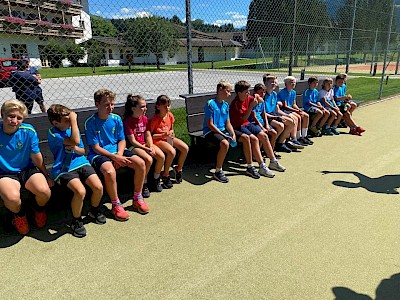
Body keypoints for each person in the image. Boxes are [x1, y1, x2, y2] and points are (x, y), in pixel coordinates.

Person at [84, 89, 149, 218]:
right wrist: (115, 157)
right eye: (106, 105)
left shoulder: (116, 119)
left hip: (117, 151)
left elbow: (122, 140)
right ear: (97, 104)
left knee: (141, 163)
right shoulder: (90, 122)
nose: (110, 107)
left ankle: (137, 198)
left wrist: (119, 155)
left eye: (112, 104)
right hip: (99, 154)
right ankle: (116, 204)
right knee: (109, 171)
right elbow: (95, 147)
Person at [47, 104, 105, 238]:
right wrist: (74, 121)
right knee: (80, 191)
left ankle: (94, 210)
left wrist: (73, 147)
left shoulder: (71, 128)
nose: (69, 122)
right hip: (63, 168)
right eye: (66, 120)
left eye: (70, 119)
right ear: (56, 123)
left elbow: (82, 150)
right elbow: (75, 140)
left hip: (80, 162)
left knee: (98, 187)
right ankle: (76, 220)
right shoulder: (54, 133)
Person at [0, 99, 52, 235]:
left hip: (27, 169)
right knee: (12, 198)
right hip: (5, 173)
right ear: (2, 114)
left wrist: (46, 175)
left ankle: (38, 210)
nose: (14, 121)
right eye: (11, 116)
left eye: (19, 118)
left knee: (44, 192)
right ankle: (19, 216)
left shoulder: (28, 131)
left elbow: (36, 155)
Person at [202, 80, 260, 182]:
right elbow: (210, 125)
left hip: (224, 131)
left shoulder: (225, 105)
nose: (229, 94)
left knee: (246, 138)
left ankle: (250, 166)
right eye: (228, 91)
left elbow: (228, 123)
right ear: (220, 90)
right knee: (225, 143)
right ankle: (218, 171)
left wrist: (232, 134)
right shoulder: (210, 104)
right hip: (211, 131)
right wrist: (224, 135)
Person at [230, 80, 285, 178]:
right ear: (239, 93)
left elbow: (261, 100)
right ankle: (261, 166)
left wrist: (256, 97)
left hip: (247, 124)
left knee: (264, 136)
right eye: (246, 92)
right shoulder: (235, 104)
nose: (248, 94)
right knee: (254, 139)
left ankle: (273, 161)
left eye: (249, 91)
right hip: (238, 126)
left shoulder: (248, 98)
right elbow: (243, 119)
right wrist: (251, 106)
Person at [123, 94, 165, 193]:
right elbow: (132, 141)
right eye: (142, 107)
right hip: (133, 146)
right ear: (133, 108)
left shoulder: (144, 118)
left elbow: (147, 134)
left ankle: (155, 179)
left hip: (144, 144)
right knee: (148, 159)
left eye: (145, 106)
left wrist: (150, 145)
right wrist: (146, 149)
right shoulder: (128, 121)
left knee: (161, 156)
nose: (145, 108)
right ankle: (143, 183)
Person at [148, 95, 189, 188]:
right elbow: (150, 136)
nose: (168, 108)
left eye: (169, 105)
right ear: (158, 107)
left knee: (185, 148)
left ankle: (178, 169)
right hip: (158, 140)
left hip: (168, 138)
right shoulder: (154, 119)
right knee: (171, 151)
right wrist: (163, 135)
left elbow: (171, 129)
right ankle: (165, 174)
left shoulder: (170, 115)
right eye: (165, 106)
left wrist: (171, 134)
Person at [262, 75, 300, 153]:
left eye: (275, 82)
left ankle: (280, 143)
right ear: (266, 83)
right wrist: (277, 118)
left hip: (274, 115)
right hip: (267, 117)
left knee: (291, 122)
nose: (274, 84)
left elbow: (277, 110)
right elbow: (263, 113)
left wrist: (286, 115)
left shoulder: (274, 94)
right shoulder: (263, 95)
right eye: (271, 82)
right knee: (280, 126)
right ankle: (272, 145)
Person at [250, 83, 283, 159]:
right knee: (263, 133)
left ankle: (270, 151)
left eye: (264, 92)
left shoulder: (262, 101)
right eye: (260, 92)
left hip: (262, 122)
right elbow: (254, 116)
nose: (262, 94)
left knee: (274, 133)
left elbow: (264, 113)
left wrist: (267, 125)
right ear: (255, 92)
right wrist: (262, 127)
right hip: (254, 123)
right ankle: (256, 155)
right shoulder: (253, 101)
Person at [278, 76, 313, 145]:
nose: (293, 84)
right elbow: (285, 106)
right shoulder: (283, 92)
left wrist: (298, 110)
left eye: (294, 82)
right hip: (285, 111)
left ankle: (304, 136)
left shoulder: (293, 92)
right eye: (291, 82)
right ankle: (296, 137)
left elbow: (294, 104)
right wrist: (295, 111)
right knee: (298, 117)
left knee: (306, 115)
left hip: (291, 110)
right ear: (286, 84)